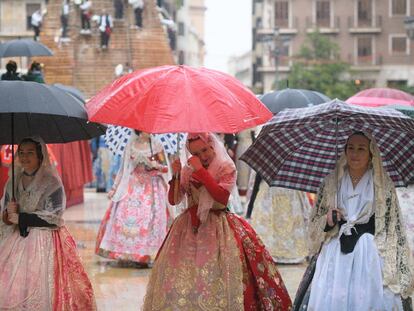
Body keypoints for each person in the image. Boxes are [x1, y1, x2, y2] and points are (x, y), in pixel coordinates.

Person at [143, 132, 292, 310]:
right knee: (183, 274)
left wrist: (201, 172)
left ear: (212, 145)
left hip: (219, 225)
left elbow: (221, 197)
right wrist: (175, 176)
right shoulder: (187, 169)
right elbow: (174, 200)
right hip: (188, 227)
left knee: (217, 273)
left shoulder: (226, 166)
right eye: (196, 154)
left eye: (205, 150)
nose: (203, 156)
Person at [296, 132, 414, 310]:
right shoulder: (331, 182)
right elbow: (315, 222)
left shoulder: (382, 184)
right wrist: (328, 221)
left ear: (371, 153)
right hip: (334, 252)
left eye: (361, 149)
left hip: (370, 254)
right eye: (350, 148)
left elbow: (391, 224)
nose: (354, 153)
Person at [0, 137, 96, 310]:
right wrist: (9, 214)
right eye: (21, 152)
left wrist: (21, 218)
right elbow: (5, 217)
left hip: (43, 240)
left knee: (41, 285)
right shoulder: (13, 182)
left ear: (40, 156)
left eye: (30, 153)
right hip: (15, 240)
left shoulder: (51, 182)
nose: (24, 157)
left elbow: (54, 218)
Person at [95, 131, 171, 266]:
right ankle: (125, 252)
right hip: (132, 185)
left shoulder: (157, 145)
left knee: (149, 219)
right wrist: (115, 188)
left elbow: (165, 168)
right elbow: (123, 169)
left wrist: (155, 166)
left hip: (151, 187)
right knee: (125, 217)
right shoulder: (131, 144)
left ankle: (145, 253)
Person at [248, 175, 311, 263]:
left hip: (270, 188)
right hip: (290, 187)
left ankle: (270, 252)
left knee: (269, 220)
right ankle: (289, 252)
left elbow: (259, 176)